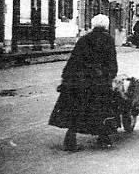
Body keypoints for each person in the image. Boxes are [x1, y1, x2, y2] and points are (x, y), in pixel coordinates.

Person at [49, 14, 119, 151]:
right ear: (106, 26)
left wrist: (66, 78)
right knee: (102, 108)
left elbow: (73, 60)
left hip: (80, 80)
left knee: (78, 108)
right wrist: (110, 76)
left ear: (93, 25)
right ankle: (103, 138)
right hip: (98, 81)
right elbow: (111, 63)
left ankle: (70, 138)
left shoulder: (84, 39)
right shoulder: (108, 40)